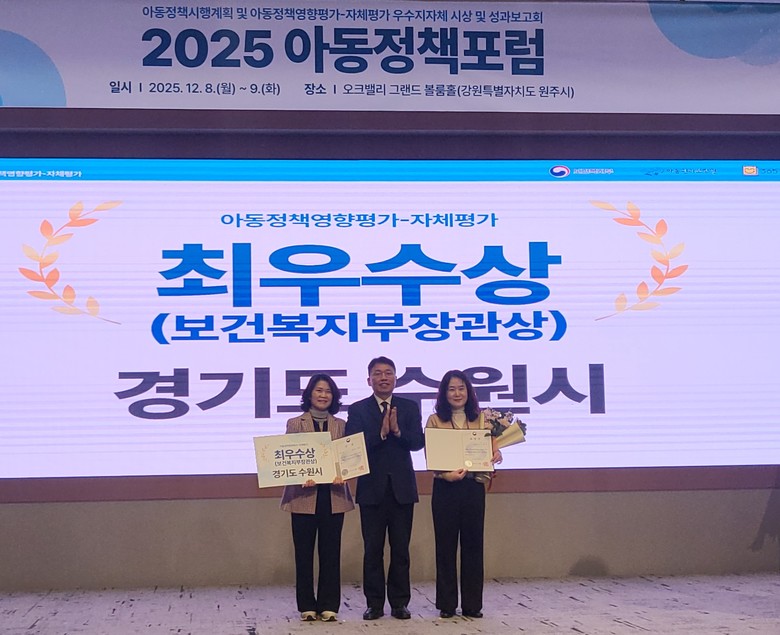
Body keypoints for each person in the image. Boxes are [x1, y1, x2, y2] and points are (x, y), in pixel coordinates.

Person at [345, 356, 425, 620]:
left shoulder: (409, 407)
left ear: (396, 378)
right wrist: (380, 433)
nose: (383, 378)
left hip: (402, 489)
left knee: (401, 550)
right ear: (369, 380)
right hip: (371, 489)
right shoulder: (358, 409)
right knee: (373, 550)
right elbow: (352, 445)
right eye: (377, 373)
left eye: (388, 373)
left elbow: (418, 442)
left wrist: (398, 432)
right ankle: (375, 604)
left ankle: (400, 603)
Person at [425, 370, 502, 619]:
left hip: (472, 488)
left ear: (469, 392)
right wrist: (446, 475)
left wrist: (496, 453)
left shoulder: (482, 420)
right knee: (445, 546)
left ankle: (472, 604)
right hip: (445, 488)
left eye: (461, 388)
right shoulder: (434, 420)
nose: (457, 393)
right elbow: (432, 456)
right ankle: (447, 604)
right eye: (451, 389)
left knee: (473, 545)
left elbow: (489, 450)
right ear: (444, 394)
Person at [280, 374, 354, 623]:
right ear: (309, 394)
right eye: (319, 390)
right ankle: (307, 606)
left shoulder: (341, 425)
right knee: (303, 554)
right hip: (303, 496)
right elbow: (289, 459)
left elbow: (348, 458)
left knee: (331, 553)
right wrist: (300, 475)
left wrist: (344, 473)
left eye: (328, 391)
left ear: (334, 397)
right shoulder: (295, 423)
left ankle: (329, 604)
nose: (323, 395)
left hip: (333, 495)